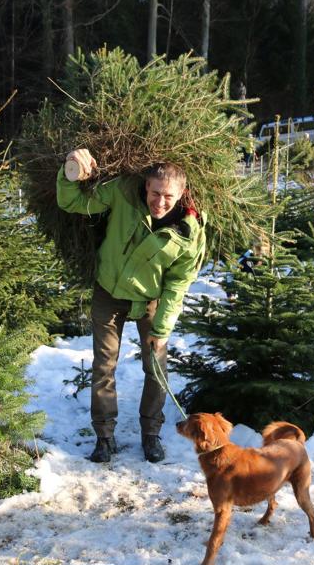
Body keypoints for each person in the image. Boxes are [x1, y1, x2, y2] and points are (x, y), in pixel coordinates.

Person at [57, 148, 206, 463]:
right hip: (108, 292)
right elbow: (72, 201)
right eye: (155, 193)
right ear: (145, 186)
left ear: (181, 195)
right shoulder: (122, 192)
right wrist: (70, 170)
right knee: (104, 366)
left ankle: (151, 434)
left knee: (156, 368)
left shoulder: (188, 230)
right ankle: (104, 436)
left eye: (168, 196)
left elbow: (178, 283)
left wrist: (162, 328)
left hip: (150, 301)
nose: (160, 202)